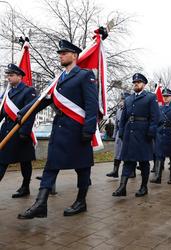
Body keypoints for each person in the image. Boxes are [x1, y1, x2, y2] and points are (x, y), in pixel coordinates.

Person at [18, 39, 99, 219]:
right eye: (60, 53)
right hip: (60, 128)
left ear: (74, 56)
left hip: (77, 129)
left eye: (64, 53)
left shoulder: (85, 75)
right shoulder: (58, 79)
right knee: (51, 165)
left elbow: (92, 105)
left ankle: (81, 201)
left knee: (82, 167)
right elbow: (42, 100)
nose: (60, 56)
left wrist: (89, 129)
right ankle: (40, 203)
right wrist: (22, 112)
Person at [112, 73, 159, 197]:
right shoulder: (128, 99)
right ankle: (122, 187)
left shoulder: (150, 97)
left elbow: (155, 117)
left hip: (143, 133)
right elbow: (123, 118)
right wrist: (121, 131)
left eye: (138, 82)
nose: (136, 84)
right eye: (134, 82)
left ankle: (144, 187)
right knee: (127, 160)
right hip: (129, 132)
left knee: (143, 162)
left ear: (143, 84)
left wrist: (151, 131)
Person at [0, 64, 36, 198]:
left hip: (19, 131)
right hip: (6, 131)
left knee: (25, 161)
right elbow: (3, 112)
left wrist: (24, 132)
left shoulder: (29, 91)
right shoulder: (7, 93)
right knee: (2, 160)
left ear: (19, 76)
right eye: (8, 75)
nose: (8, 78)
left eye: (11, 75)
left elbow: (31, 113)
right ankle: (25, 187)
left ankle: (25, 187)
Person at [150, 88, 171, 184]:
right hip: (160, 134)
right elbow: (156, 121)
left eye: (167, 96)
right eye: (164, 96)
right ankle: (158, 177)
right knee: (159, 155)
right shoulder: (159, 108)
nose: (165, 98)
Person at [106, 92, 131, 178]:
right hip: (118, 135)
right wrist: (114, 135)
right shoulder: (119, 111)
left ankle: (132, 172)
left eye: (123, 99)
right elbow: (116, 124)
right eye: (121, 99)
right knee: (117, 153)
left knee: (128, 154)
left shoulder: (129, 110)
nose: (121, 101)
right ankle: (115, 171)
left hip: (127, 134)